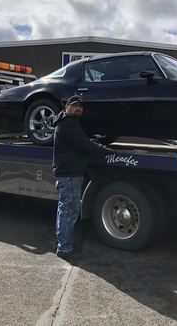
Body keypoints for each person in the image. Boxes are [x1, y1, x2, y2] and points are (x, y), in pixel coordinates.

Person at [52, 95, 112, 260]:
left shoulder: (69, 123)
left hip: (69, 173)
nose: (78, 108)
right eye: (74, 106)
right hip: (70, 174)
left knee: (65, 209)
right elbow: (83, 144)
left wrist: (94, 141)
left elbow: (81, 140)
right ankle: (64, 247)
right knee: (69, 210)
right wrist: (103, 149)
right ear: (66, 107)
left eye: (80, 106)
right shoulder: (67, 124)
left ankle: (62, 241)